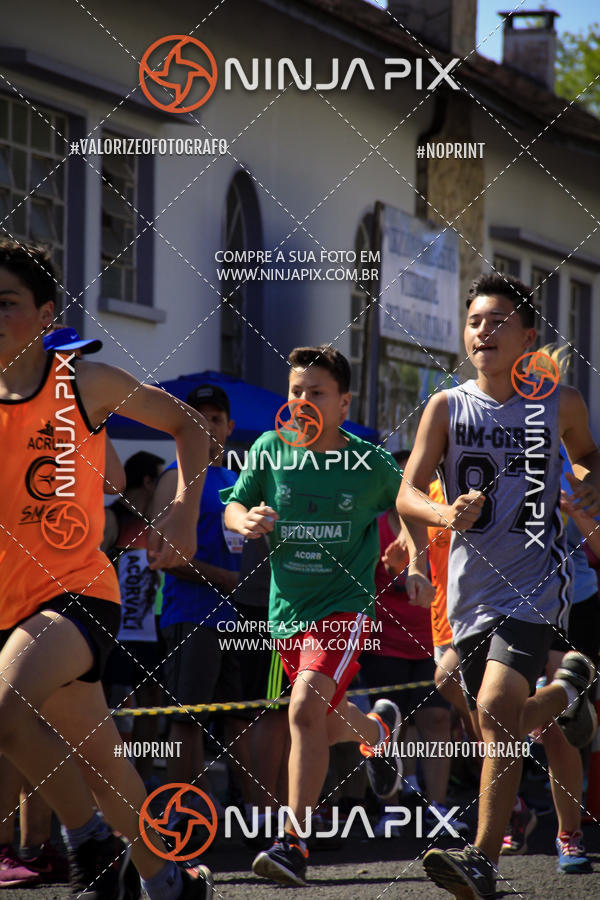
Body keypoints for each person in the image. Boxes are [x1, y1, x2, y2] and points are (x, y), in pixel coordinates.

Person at [0, 240, 214, 899]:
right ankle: (168, 881)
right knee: (101, 760)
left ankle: (89, 842)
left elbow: (188, 426)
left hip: (78, 593)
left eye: (5, 303)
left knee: (5, 711)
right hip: (10, 604)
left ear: (44, 315)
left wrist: (181, 510)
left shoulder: (81, 383)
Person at [397, 272, 600, 898]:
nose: (483, 329)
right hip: (468, 592)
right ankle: (566, 697)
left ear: (528, 338)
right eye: (475, 320)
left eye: (498, 320)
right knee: (491, 714)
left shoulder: (559, 402)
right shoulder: (445, 406)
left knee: (494, 709)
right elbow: (406, 491)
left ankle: (482, 858)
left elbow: (588, 454)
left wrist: (589, 483)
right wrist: (441, 515)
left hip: (537, 581)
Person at [222, 344, 430, 887]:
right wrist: (245, 521)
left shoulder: (367, 461)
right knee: (315, 718)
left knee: (302, 711)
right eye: (296, 391)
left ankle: (292, 843)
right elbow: (232, 503)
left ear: (343, 404)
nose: (304, 400)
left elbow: (409, 502)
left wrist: (412, 550)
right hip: (286, 613)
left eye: (317, 392)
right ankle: (377, 730)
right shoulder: (269, 449)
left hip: (345, 607)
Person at [151, 384, 250, 826]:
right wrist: (227, 579)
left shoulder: (238, 482)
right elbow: (160, 555)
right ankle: (179, 815)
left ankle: (253, 816)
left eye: (215, 418)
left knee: (241, 717)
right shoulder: (174, 477)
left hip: (242, 619)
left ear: (229, 428)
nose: (207, 425)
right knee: (186, 720)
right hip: (191, 616)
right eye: (197, 416)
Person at [359, 459, 467, 838]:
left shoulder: (442, 518)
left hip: (434, 640)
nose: (412, 486)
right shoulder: (374, 526)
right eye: (405, 480)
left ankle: (437, 807)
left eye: (419, 480)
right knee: (392, 727)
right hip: (385, 644)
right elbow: (359, 587)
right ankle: (391, 809)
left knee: (438, 721)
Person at [102, 451, 166, 787]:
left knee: (151, 702)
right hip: (113, 628)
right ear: (147, 481)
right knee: (100, 703)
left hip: (150, 628)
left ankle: (141, 777)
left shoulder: (159, 520)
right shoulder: (112, 517)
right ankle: (103, 776)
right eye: (160, 478)